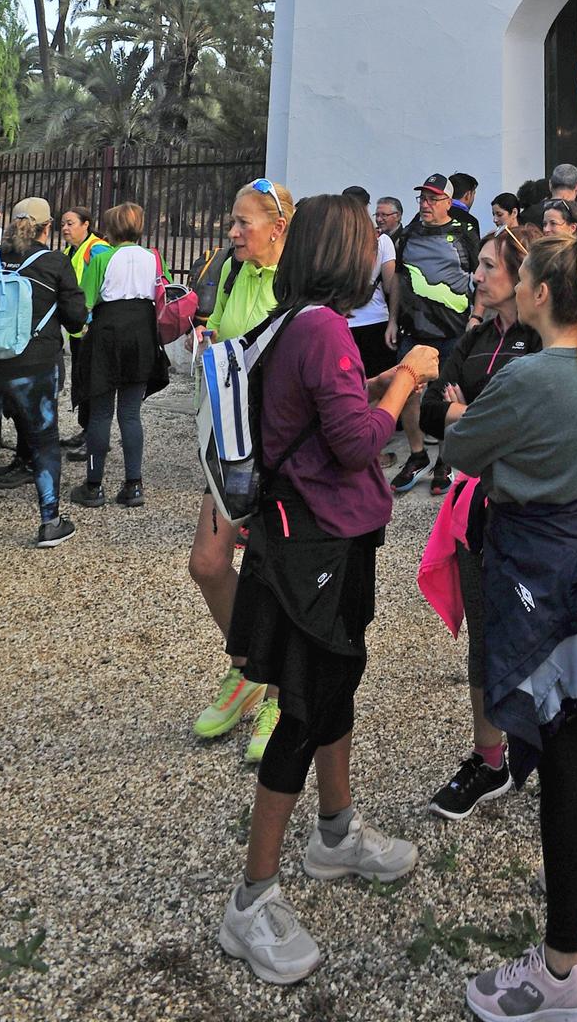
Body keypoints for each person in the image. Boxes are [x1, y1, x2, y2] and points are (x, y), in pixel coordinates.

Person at [218, 193, 437, 986]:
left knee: (335, 683)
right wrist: (407, 374)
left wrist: (369, 378)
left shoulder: (299, 323)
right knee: (305, 709)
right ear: (345, 256)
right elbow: (353, 443)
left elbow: (319, 409)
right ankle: (251, 900)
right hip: (315, 541)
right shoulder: (320, 329)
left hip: (313, 536)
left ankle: (336, 833)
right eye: (369, 243)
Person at [443, 230, 577, 1022]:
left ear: (538, 294)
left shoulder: (529, 374)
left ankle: (560, 968)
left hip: (539, 570)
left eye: (521, 276)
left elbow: (461, 446)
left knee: (558, 750)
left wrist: (461, 411)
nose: (514, 284)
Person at [424, 225, 541, 821]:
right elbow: (432, 407)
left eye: (491, 267)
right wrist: (464, 415)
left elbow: (515, 426)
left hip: (522, 509)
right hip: (474, 507)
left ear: (521, 278)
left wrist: (464, 414)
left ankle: (535, 742)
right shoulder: (474, 337)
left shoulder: (536, 341)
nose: (477, 275)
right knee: (484, 641)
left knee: (535, 634)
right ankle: (489, 758)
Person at [189, 179, 295, 765]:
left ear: (278, 229)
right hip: (230, 442)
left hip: (276, 447)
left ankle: (277, 690)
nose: (232, 233)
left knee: (270, 573)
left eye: (242, 224)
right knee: (206, 563)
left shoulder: (295, 280)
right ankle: (247, 669)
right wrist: (208, 340)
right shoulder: (233, 270)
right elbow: (230, 338)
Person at [0, 197, 85, 546]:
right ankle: (50, 522)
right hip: (33, 366)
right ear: (47, 228)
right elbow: (76, 318)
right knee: (44, 440)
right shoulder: (55, 263)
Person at [70, 201, 164, 511]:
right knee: (130, 412)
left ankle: (94, 486)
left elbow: (84, 302)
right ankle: (133, 484)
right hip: (142, 333)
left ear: (111, 228)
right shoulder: (154, 257)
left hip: (108, 333)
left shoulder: (103, 258)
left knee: (100, 413)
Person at [385, 174, 476, 495]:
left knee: (446, 397)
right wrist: (392, 320)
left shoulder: (465, 235)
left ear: (447, 202)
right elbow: (397, 278)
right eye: (422, 198)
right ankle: (417, 455)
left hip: (453, 331)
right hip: (413, 330)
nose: (424, 204)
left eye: (431, 199)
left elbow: (479, 277)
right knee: (407, 391)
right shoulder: (408, 235)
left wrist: (476, 319)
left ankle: (444, 462)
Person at [59, 205, 108, 453]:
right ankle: (85, 429)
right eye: (63, 224)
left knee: (92, 382)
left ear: (86, 224)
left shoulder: (97, 249)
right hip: (78, 329)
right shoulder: (70, 252)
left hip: (92, 328)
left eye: (71, 223)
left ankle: (95, 437)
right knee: (81, 380)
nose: (65, 228)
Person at [343, 187, 395, 383]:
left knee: (347, 383)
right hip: (375, 320)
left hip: (342, 321)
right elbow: (390, 286)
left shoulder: (335, 239)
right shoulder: (382, 241)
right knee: (377, 385)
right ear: (367, 207)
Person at [449, 174, 483, 261]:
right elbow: (475, 256)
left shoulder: (430, 215)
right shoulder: (470, 221)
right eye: (474, 194)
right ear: (468, 195)